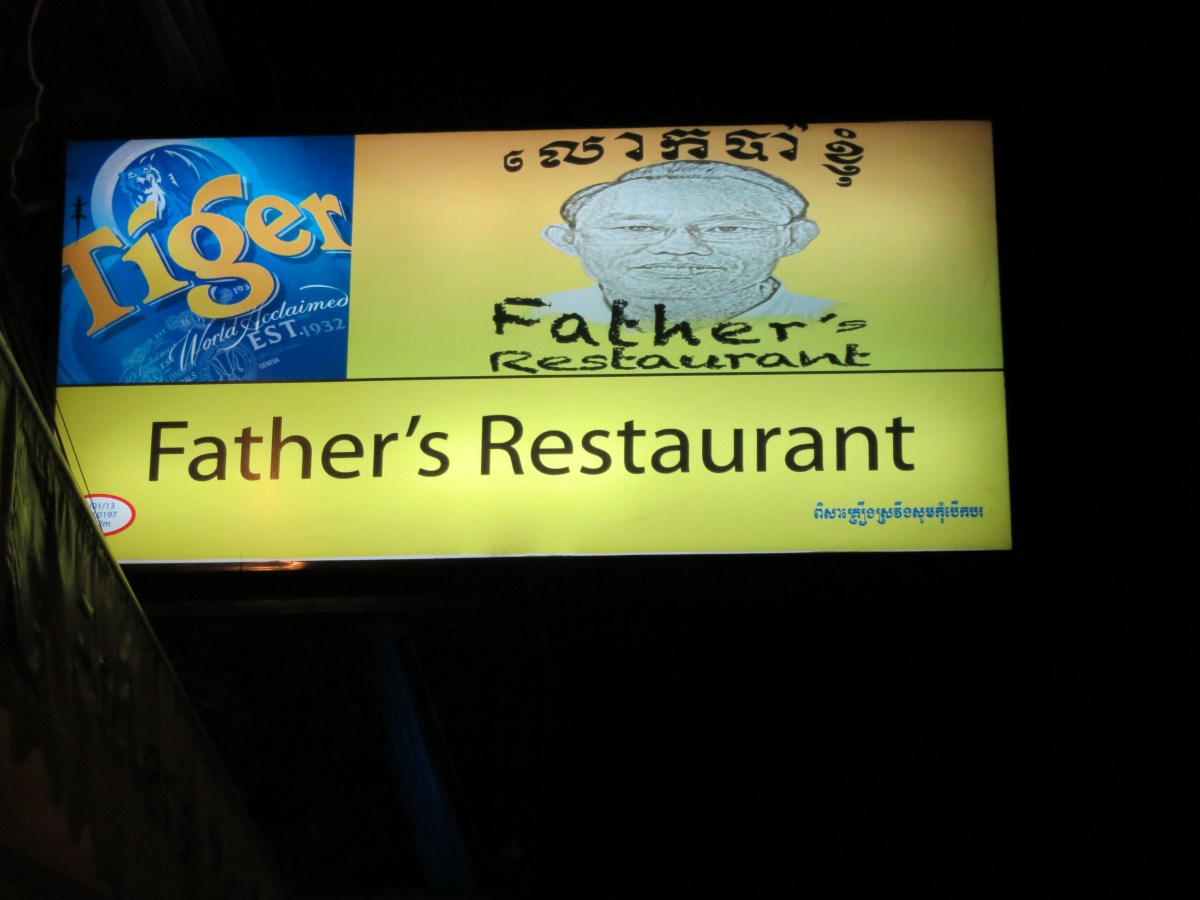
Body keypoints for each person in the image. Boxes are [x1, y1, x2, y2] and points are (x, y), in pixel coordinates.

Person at [540, 160, 835, 325]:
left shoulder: (840, 323)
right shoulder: (533, 320)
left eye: (726, 228)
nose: (680, 247)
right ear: (568, 240)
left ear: (794, 238)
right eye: (637, 227)